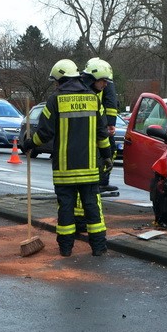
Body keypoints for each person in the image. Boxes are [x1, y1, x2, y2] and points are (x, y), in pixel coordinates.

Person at [20, 59, 111, 257]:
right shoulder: (94, 99)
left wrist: (28, 144)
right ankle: (98, 247)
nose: (55, 84)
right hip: (89, 168)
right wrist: (107, 157)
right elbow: (102, 134)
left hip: (64, 169)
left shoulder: (55, 100)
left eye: (56, 81)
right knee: (91, 206)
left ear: (61, 80)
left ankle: (66, 249)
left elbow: (44, 134)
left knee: (66, 208)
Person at [82, 57, 120, 195]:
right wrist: (110, 124)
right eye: (103, 81)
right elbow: (111, 102)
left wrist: (110, 123)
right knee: (107, 150)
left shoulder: (97, 82)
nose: (105, 84)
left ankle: (100, 181)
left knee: (105, 150)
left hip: (99, 122)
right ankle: (101, 181)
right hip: (100, 123)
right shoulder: (96, 87)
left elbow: (110, 104)